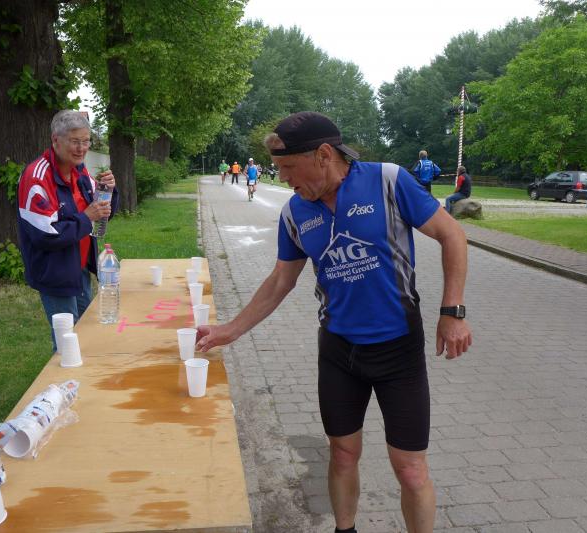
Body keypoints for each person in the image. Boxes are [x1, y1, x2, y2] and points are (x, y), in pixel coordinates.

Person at [196, 112, 472, 533]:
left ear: (324, 155)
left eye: (289, 167)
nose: (283, 177)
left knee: (411, 469)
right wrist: (228, 330)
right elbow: (281, 280)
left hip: (398, 349)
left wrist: (452, 312)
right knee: (342, 454)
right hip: (339, 351)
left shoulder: (388, 181)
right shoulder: (295, 212)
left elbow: (452, 234)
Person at [17, 110, 119, 352]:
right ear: (56, 140)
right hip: (55, 273)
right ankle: (63, 375)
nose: (81, 148)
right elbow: (46, 235)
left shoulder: (79, 170)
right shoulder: (36, 178)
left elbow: (101, 211)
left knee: (85, 333)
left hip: (78, 267)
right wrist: (87, 217)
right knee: (67, 343)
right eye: (75, 141)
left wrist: (109, 191)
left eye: (86, 141)